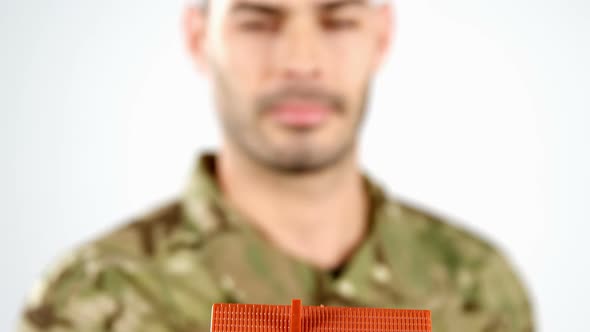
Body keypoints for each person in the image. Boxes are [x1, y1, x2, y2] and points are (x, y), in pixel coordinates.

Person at [17, 0, 534, 331]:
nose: (300, 60)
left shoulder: (476, 289)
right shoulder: (96, 300)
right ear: (200, 39)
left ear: (380, 36)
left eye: (338, 20)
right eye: (258, 21)